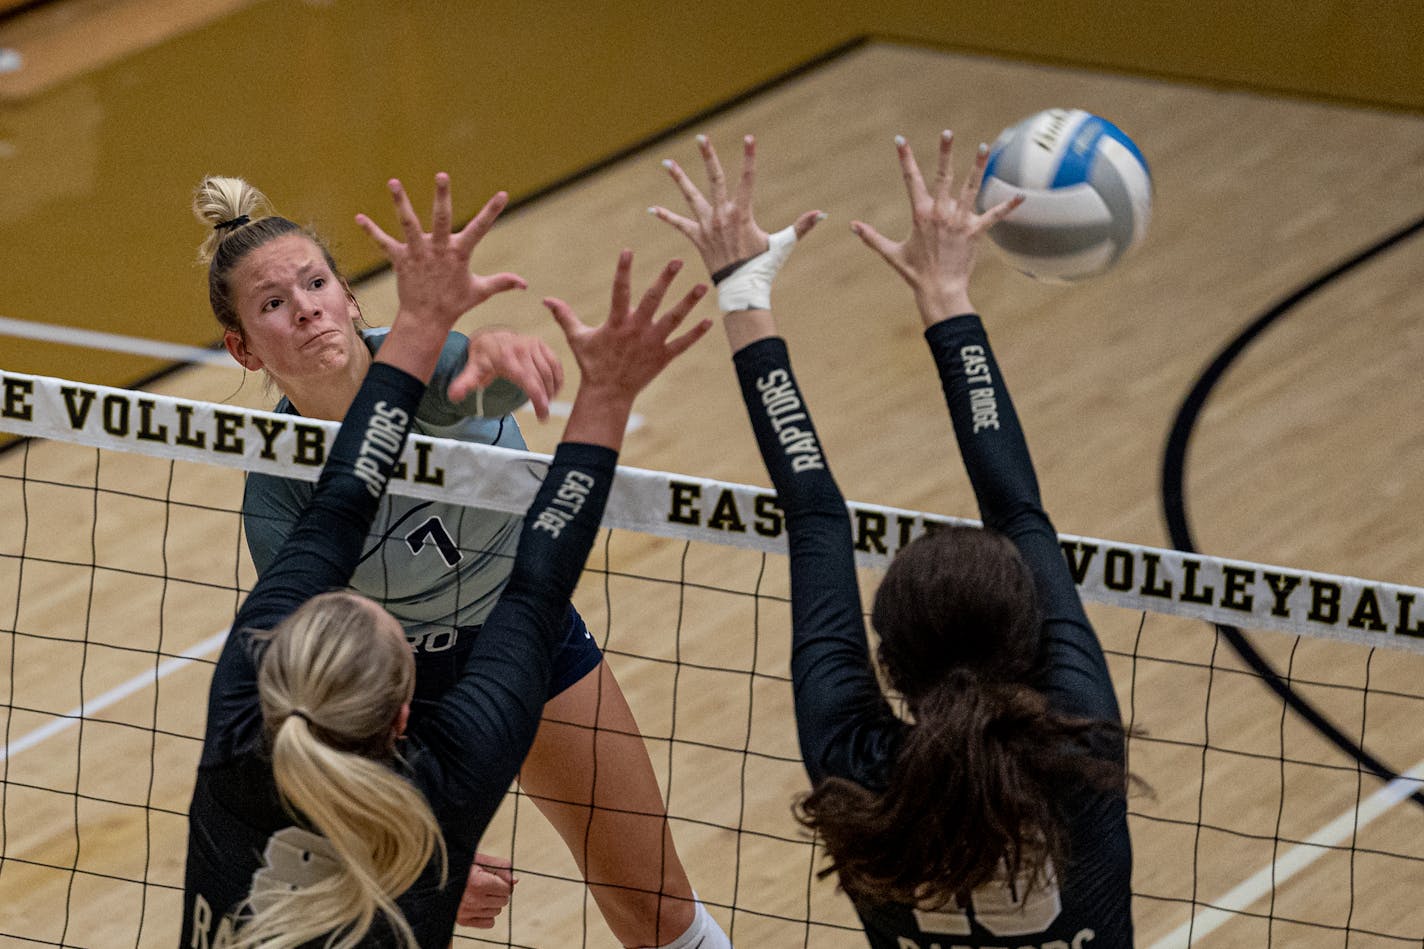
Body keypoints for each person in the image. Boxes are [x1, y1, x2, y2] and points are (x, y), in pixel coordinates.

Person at [193, 175, 731, 947]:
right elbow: (309, 684)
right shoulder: (277, 494)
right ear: (242, 345)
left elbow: (472, 380)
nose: (306, 306)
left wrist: (506, 355)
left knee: (655, 906)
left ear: (349, 296)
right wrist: (404, 841)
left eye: (316, 283)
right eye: (274, 303)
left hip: (524, 641)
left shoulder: (429, 371)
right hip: (391, 694)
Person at [650, 132, 1133, 948]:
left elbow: (812, 516)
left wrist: (742, 292)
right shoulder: (1077, 744)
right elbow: (1017, 510)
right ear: (1030, 642)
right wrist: (947, 294)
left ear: (888, 660)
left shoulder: (855, 762)